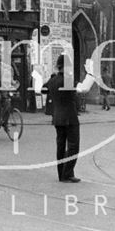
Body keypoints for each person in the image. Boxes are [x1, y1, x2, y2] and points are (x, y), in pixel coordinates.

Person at [40, 54, 92, 183]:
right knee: (73, 146)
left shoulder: (52, 80)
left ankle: (61, 174)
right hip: (70, 117)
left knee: (61, 146)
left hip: (57, 117)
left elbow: (42, 90)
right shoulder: (67, 79)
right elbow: (83, 89)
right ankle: (67, 174)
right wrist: (90, 75)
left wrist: (52, 79)